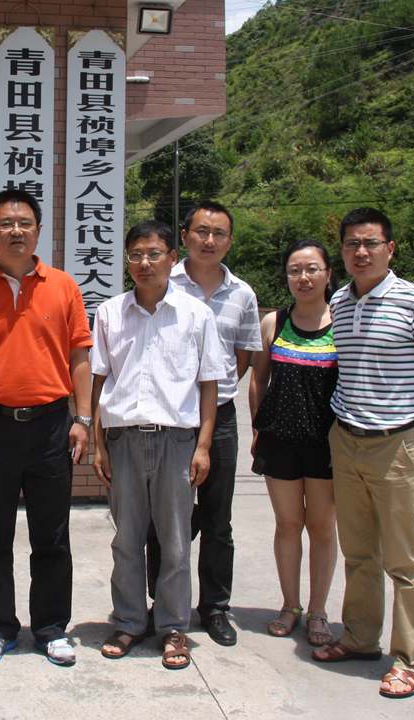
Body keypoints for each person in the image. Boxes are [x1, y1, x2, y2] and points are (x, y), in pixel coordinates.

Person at [311, 207, 414, 700]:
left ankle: (409, 659)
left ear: (390, 249)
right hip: (346, 438)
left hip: (397, 443)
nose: (361, 251)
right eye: (352, 243)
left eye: (370, 243)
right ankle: (359, 638)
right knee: (359, 553)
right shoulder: (340, 302)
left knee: (404, 561)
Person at [0, 188, 93, 668]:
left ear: (38, 231)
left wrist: (83, 419)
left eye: (25, 223)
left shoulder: (64, 286)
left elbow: (79, 357)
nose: (16, 231)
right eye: (6, 224)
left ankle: (51, 629)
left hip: (52, 426)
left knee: (51, 535)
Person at [90, 220, 225, 670]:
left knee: (176, 542)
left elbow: (210, 384)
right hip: (123, 439)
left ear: (172, 258)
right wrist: (99, 444)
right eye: (135, 255)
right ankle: (129, 621)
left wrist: (203, 446)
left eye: (153, 254)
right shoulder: (110, 313)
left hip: (177, 441)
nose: (144, 263)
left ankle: (172, 627)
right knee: (126, 539)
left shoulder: (196, 314)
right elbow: (98, 380)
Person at [150, 200, 262, 646]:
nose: (209, 240)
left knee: (217, 518)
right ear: (184, 237)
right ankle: (162, 603)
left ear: (230, 241)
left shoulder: (243, 295)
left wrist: (214, 394)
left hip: (222, 418)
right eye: (201, 231)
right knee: (162, 518)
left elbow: (242, 358)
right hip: (171, 415)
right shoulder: (164, 282)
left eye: (219, 233)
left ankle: (214, 607)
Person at [248, 239, 339, 647]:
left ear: (328, 274)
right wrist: (257, 429)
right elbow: (258, 379)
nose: (303, 277)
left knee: (321, 528)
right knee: (287, 525)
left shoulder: (343, 321)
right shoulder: (274, 322)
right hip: (280, 440)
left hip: (328, 445)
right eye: (294, 270)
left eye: (312, 269)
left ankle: (318, 611)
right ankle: (290, 605)